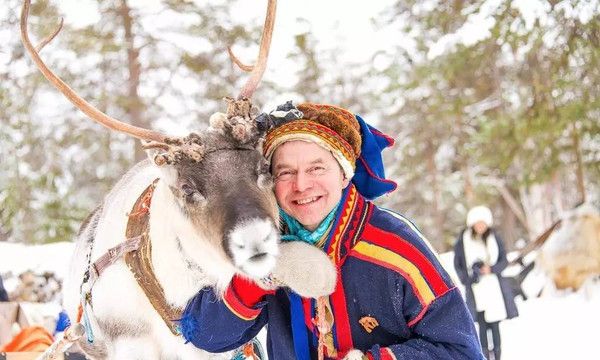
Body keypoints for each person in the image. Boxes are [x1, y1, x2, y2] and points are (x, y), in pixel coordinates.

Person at [179, 102, 484, 359]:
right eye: (286, 172)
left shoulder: (396, 246)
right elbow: (205, 333)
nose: (301, 185)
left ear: (343, 175)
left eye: (316, 168)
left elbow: (461, 350)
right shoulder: (265, 241)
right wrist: (259, 279)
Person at [453, 206, 519, 360]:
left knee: (495, 325)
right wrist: (468, 278)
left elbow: (504, 260)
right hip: (476, 289)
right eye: (478, 223)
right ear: (472, 224)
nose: (481, 226)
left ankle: (497, 356)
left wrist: (492, 269)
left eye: (483, 223)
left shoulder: (494, 238)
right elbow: (458, 265)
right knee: (481, 327)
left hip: (494, 288)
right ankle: (484, 356)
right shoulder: (463, 240)